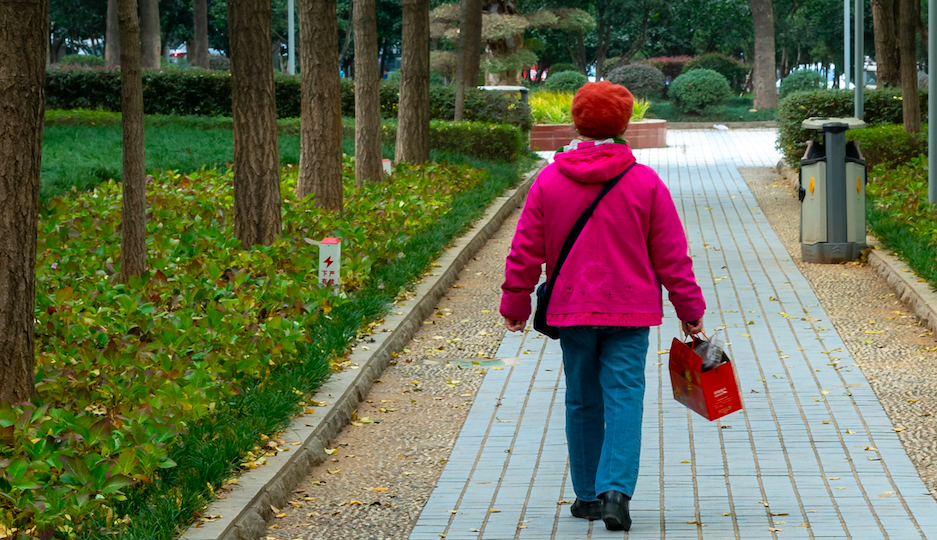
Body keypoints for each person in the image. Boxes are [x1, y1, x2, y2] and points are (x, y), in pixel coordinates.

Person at [499, 80, 705, 532]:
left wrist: (515, 301)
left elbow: (525, 249)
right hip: (631, 311)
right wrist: (689, 309)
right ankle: (616, 492)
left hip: (572, 309)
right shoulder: (645, 182)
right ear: (625, 124)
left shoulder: (549, 181)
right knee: (625, 396)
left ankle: (588, 496)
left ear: (576, 121)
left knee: (581, 398)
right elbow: (672, 255)